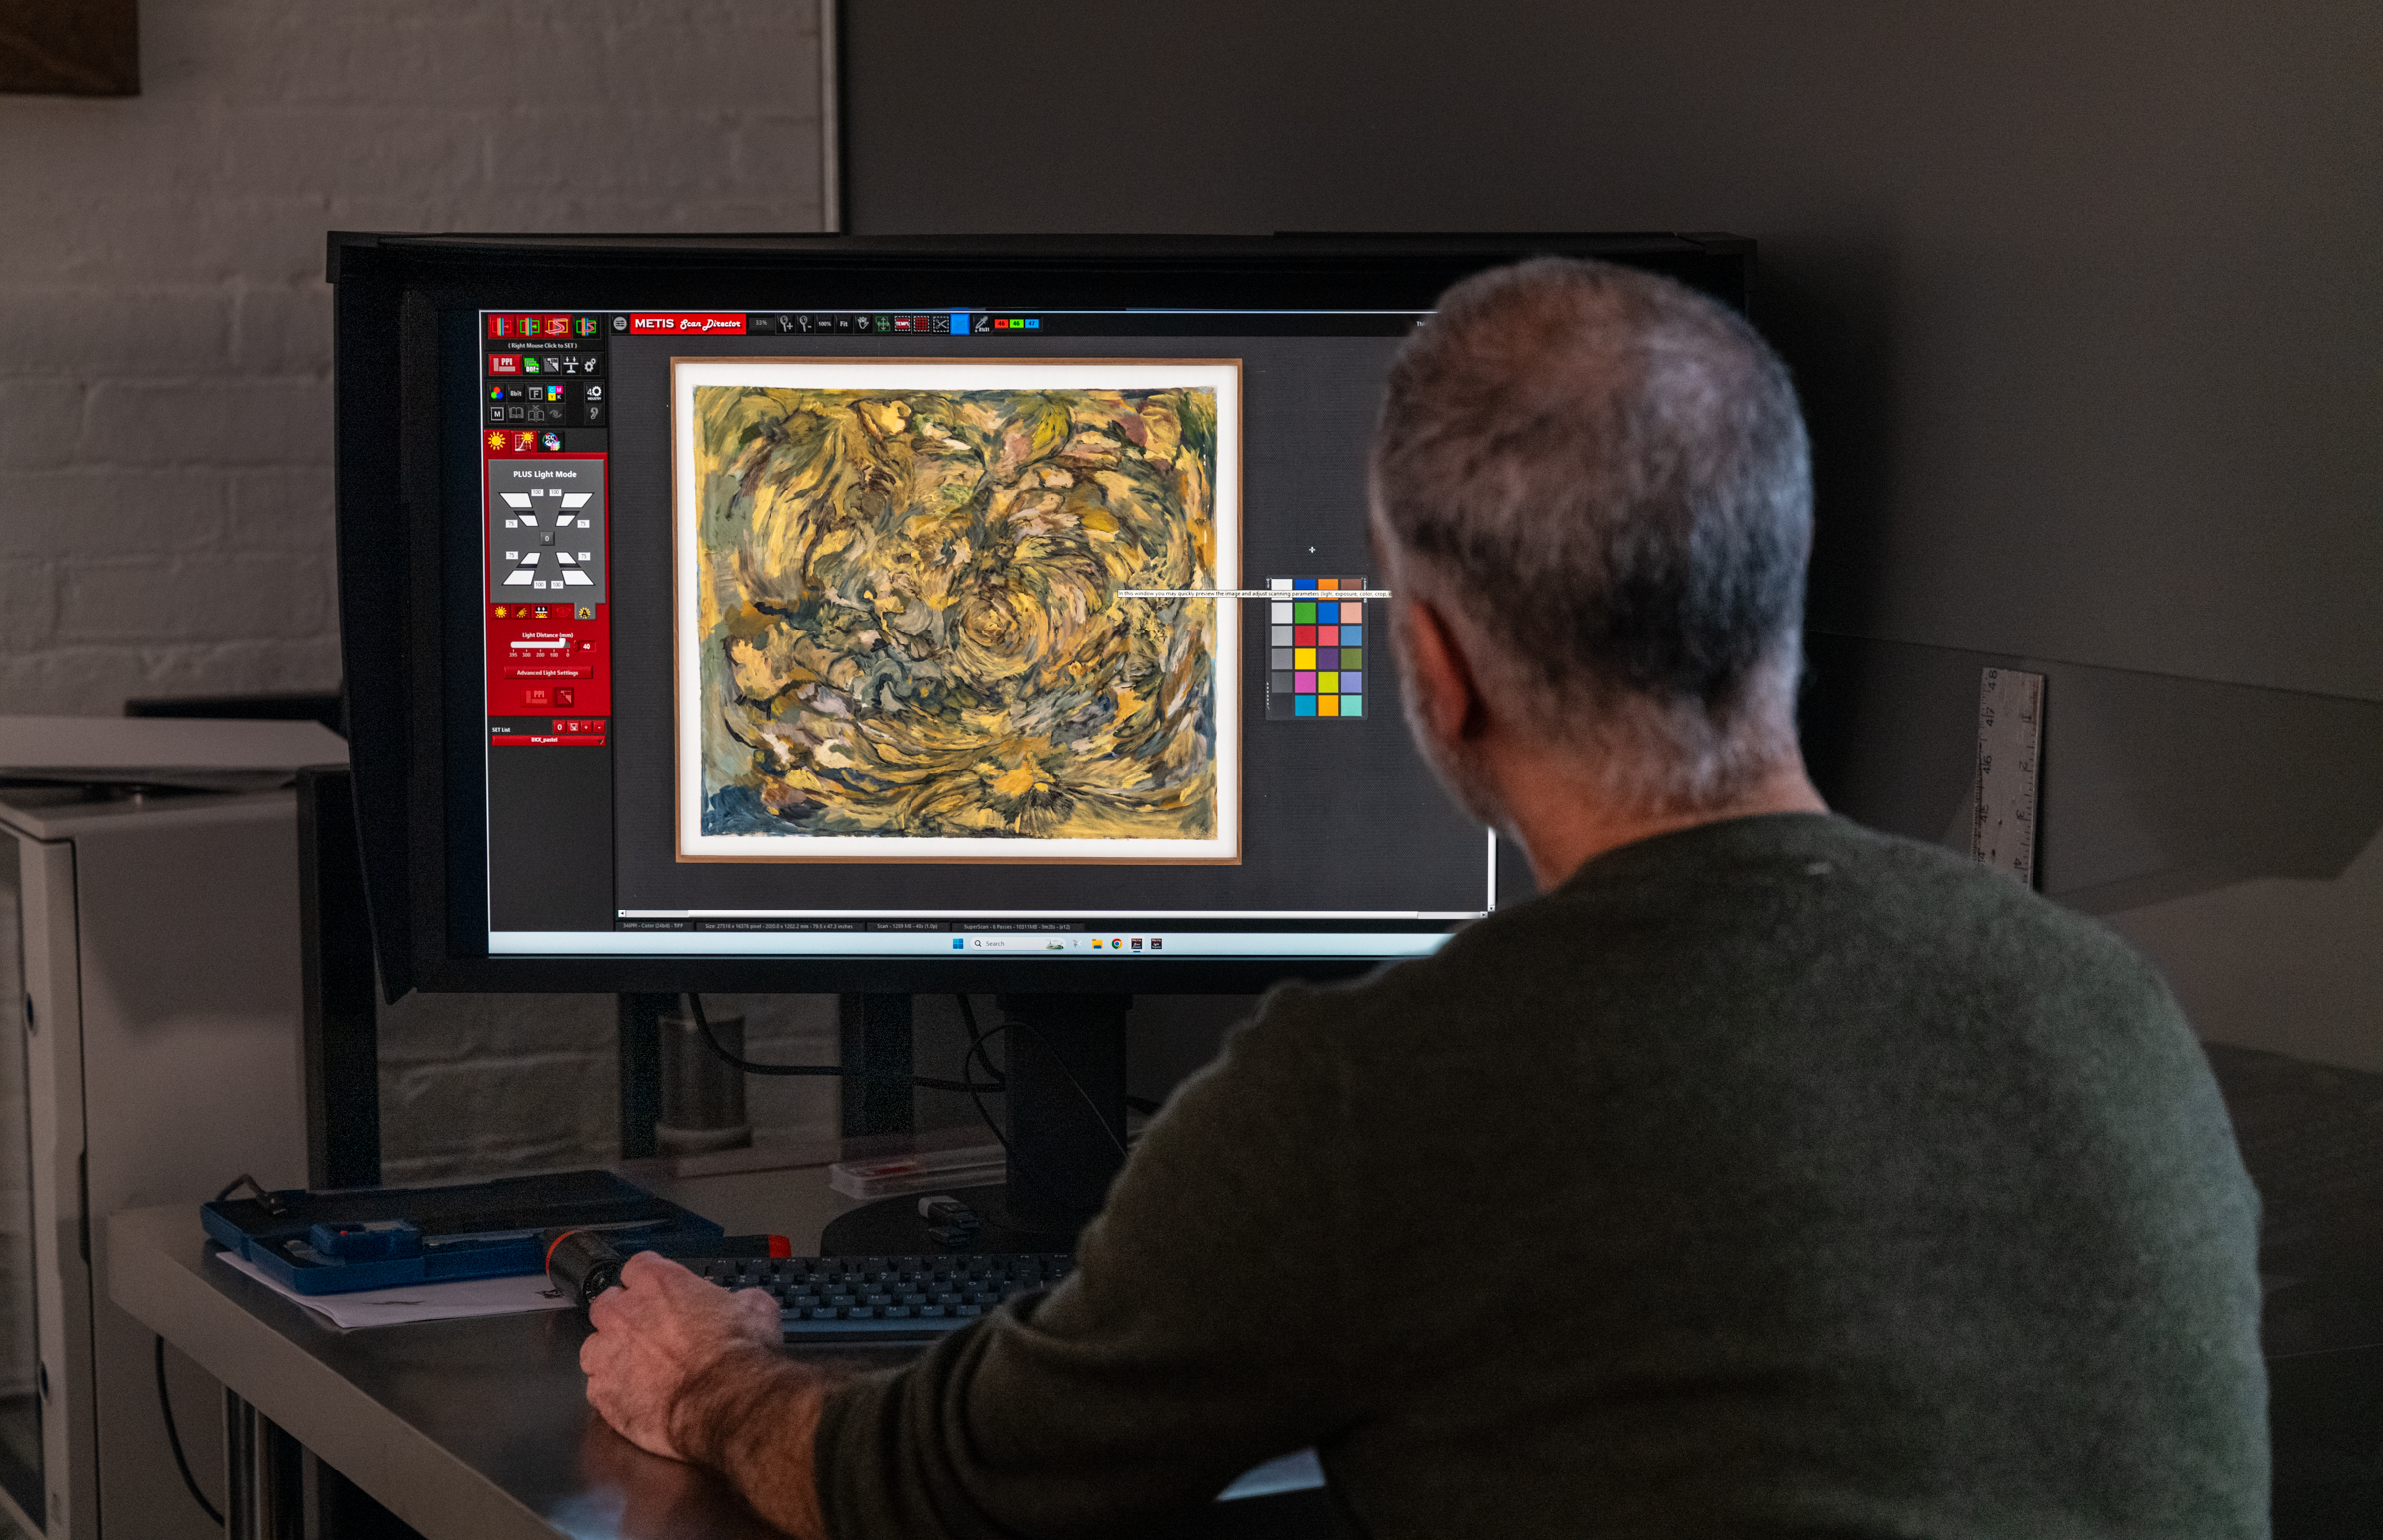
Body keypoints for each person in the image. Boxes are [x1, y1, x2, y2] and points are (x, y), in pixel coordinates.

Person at [580, 258, 2267, 1538]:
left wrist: (715, 1377)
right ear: (1778, 593)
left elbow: (935, 1489)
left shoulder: (1371, 1102)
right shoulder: (2101, 1004)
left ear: (1438, 670)